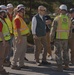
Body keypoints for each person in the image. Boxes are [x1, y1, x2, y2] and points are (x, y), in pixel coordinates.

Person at [50, 4, 71, 71]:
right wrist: (68, 37)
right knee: (65, 52)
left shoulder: (57, 19)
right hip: (65, 38)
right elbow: (69, 30)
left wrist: (51, 39)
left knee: (58, 52)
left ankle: (59, 67)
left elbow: (53, 30)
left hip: (58, 38)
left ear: (60, 10)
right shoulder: (68, 19)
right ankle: (66, 65)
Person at [11, 4, 30, 70]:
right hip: (20, 37)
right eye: (23, 10)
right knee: (18, 50)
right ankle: (14, 64)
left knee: (23, 51)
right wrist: (20, 38)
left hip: (23, 36)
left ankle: (21, 64)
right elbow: (18, 29)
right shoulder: (17, 18)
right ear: (19, 11)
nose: (24, 12)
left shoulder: (20, 18)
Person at [0, 5, 11, 74]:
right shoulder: (0, 20)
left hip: (5, 41)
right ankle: (1, 70)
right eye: (4, 12)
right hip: (2, 42)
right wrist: (4, 41)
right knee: (1, 56)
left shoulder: (3, 20)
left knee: (3, 56)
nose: (5, 14)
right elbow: (0, 32)